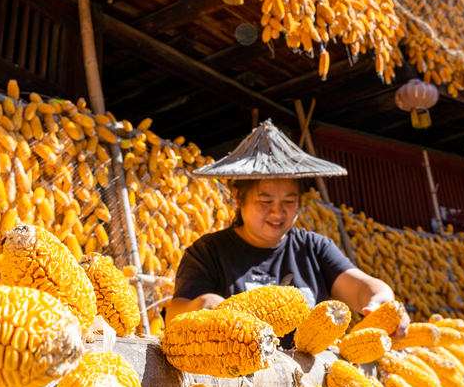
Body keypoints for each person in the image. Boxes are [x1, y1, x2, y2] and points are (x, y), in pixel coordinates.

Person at [166, 120, 397, 343]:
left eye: (289, 201)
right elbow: (176, 314)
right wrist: (202, 305)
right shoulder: (208, 252)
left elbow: (361, 287)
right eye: (265, 201)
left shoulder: (314, 248)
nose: (277, 213)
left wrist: (382, 302)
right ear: (239, 198)